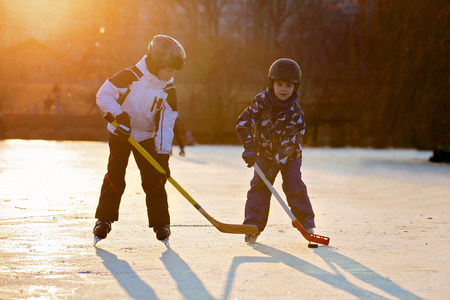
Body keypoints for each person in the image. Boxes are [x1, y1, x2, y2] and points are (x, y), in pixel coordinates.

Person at [93, 34, 186, 245]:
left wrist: (163, 156)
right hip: (121, 133)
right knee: (115, 175)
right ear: (157, 62)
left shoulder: (168, 91)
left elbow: (166, 125)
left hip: (145, 137)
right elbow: (103, 95)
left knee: (155, 179)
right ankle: (104, 220)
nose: (171, 75)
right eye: (169, 70)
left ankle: (161, 223)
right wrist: (120, 115)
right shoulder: (131, 75)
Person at [236, 58, 315, 243]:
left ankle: (307, 224)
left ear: (295, 87)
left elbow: (289, 143)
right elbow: (243, 122)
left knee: (293, 186)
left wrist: (274, 166)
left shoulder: (296, 113)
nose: (283, 89)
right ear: (271, 83)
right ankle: (253, 225)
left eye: (289, 85)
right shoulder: (260, 101)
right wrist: (249, 145)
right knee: (259, 186)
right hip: (265, 153)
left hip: (290, 156)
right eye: (279, 84)